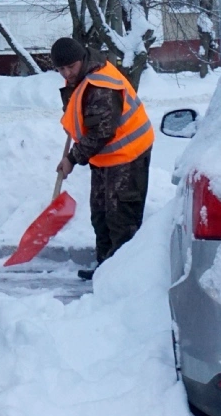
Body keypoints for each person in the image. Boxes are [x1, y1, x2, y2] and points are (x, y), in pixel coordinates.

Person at [51, 36, 153, 280]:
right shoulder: (81, 73)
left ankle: (124, 277)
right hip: (106, 156)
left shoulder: (102, 85)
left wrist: (72, 158)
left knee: (121, 217)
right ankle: (105, 268)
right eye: (61, 69)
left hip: (129, 153)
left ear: (82, 59)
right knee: (101, 214)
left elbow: (102, 132)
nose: (67, 72)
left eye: (70, 67)